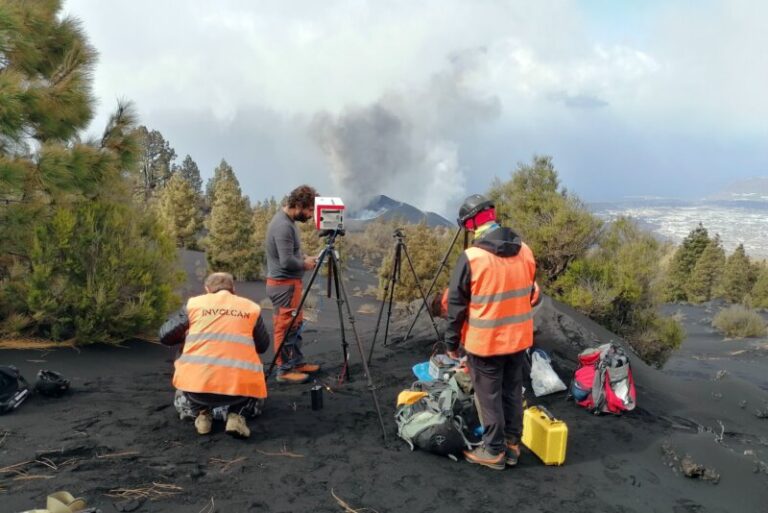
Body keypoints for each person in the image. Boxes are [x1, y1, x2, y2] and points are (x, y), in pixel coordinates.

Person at [444, 194, 538, 470]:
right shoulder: (526, 251)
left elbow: (456, 305)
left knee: (488, 397)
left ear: (471, 224)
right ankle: (512, 445)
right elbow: (530, 291)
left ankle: (493, 451)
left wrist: (452, 343)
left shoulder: (472, 257)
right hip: (519, 339)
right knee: (512, 391)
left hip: (486, 344)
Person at [159, 272, 270, 439]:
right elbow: (263, 346)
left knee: (185, 357)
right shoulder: (250, 308)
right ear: (234, 289)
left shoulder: (194, 305)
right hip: (239, 394)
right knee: (256, 389)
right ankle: (237, 416)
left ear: (206, 289)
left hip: (197, 392)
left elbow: (165, 336)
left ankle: (202, 415)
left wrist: (187, 334)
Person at [265, 184, 321, 384]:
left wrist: (305, 257)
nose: (309, 215)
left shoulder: (288, 223)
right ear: (298, 204)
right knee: (285, 326)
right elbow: (286, 261)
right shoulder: (282, 226)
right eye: (308, 210)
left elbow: (291, 254)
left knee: (294, 325)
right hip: (283, 285)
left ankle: (296, 362)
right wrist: (304, 264)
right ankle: (284, 370)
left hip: (289, 284)